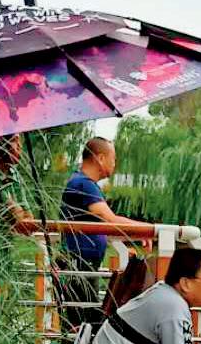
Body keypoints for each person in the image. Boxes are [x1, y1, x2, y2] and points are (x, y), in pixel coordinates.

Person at [58, 137, 151, 325]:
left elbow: (105, 226)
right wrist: (145, 230)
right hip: (79, 264)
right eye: (113, 158)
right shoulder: (83, 184)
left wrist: (132, 236)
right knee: (83, 323)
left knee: (86, 320)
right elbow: (111, 220)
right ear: (100, 158)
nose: (115, 163)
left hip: (82, 263)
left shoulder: (83, 183)